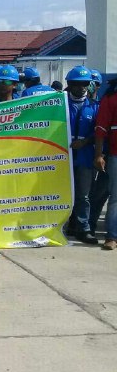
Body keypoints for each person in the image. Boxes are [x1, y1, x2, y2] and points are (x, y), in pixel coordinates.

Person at [64, 66, 99, 245]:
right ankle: (65, 226)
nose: (82, 87)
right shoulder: (59, 105)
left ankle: (83, 228)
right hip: (63, 157)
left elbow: (100, 133)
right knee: (63, 193)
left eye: (85, 83)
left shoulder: (94, 107)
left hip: (84, 156)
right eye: (77, 84)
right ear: (69, 84)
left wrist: (85, 142)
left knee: (83, 195)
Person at [94, 76, 117, 251]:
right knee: (115, 198)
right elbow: (101, 129)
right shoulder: (110, 99)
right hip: (115, 155)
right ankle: (111, 236)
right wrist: (99, 155)